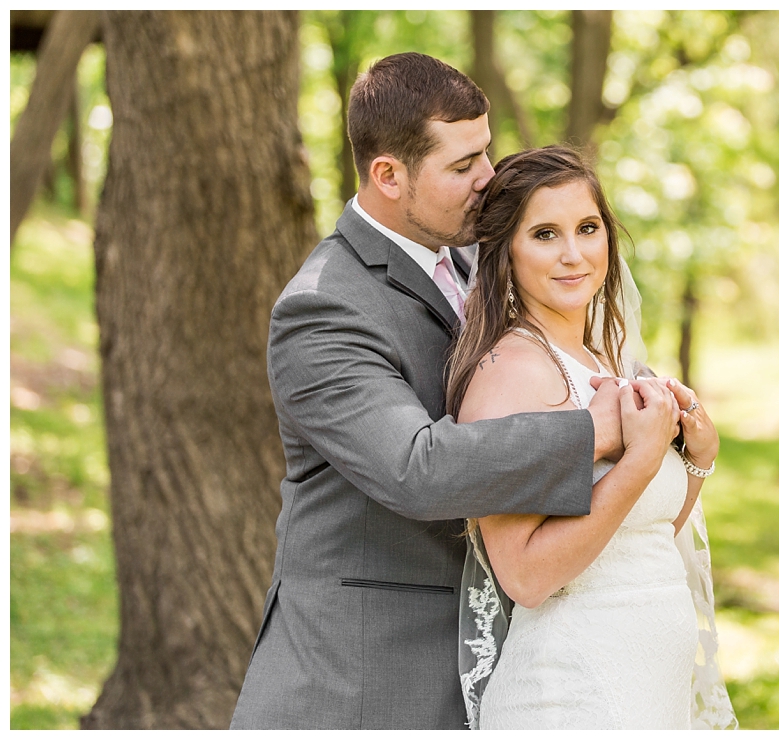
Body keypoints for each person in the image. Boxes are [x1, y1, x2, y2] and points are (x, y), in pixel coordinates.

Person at [229, 53, 631, 730]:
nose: (489, 179)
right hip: (361, 683)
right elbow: (415, 470)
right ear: (388, 174)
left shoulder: (485, 257)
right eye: (462, 165)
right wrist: (596, 431)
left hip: (504, 664)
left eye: (487, 153)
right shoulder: (325, 308)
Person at [447, 146, 736, 729]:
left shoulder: (602, 358)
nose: (574, 254)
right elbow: (526, 577)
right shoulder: (512, 372)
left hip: (649, 689)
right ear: (506, 252)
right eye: (546, 234)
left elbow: (640, 539)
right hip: (573, 693)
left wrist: (699, 461)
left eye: (587, 228)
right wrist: (644, 457)